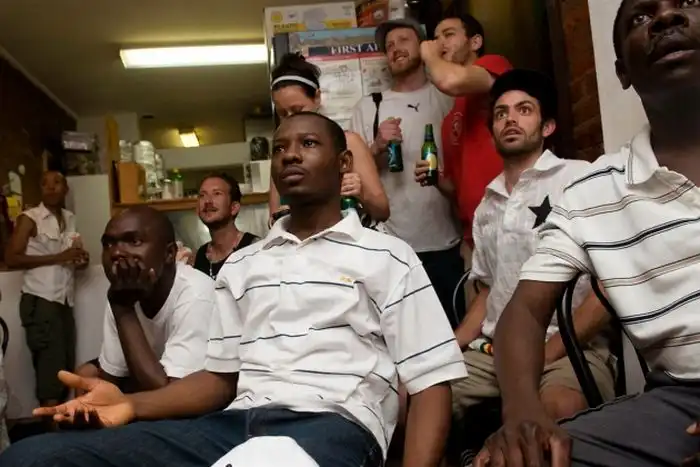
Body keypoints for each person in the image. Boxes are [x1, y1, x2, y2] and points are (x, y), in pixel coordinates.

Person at [0, 112, 467, 467]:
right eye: (280, 148)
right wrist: (130, 404)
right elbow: (219, 380)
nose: (290, 155)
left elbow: (430, 382)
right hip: (232, 424)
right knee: (32, 458)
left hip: (333, 424)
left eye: (308, 144)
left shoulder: (387, 255)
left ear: (344, 163)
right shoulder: (244, 264)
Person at [472, 1, 700, 466]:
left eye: (687, 2)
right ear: (622, 71)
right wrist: (521, 412)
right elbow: (523, 310)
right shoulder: (593, 191)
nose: (665, 18)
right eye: (641, 17)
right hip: (680, 402)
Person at [450, 69, 614, 428]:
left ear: (548, 126)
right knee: (419, 396)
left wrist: (546, 353)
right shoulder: (488, 204)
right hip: (494, 351)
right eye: (501, 113)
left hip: (568, 347)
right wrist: (448, 346)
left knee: (558, 410)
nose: (510, 119)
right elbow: (488, 290)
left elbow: (610, 284)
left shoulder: (579, 178)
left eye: (524, 110)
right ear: (493, 130)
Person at [351, 18, 464, 328]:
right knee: (398, 336)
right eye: (389, 46)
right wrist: (376, 146)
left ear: (423, 46)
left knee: (451, 332)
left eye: (403, 40)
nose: (395, 49)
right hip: (391, 248)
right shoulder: (369, 107)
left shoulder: (448, 97)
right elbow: (353, 174)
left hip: (447, 242)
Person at [73, 206, 215, 394]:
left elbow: (169, 396)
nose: (116, 253)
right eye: (108, 244)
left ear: (169, 253)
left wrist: (123, 309)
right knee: (85, 378)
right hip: (152, 379)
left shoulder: (197, 294)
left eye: (134, 241)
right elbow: (112, 380)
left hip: (202, 397)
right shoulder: (122, 292)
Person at [420, 14, 512, 258]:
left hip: (510, 228)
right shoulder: (450, 119)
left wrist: (429, 55)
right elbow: (455, 187)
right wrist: (435, 177)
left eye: (448, 35)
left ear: (475, 42)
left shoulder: (495, 65)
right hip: (474, 239)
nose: (439, 43)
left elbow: (450, 80)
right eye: (436, 38)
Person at [268, 53, 390, 225]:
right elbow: (274, 219)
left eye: (297, 110)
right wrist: (284, 213)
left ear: (317, 97)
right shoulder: (282, 154)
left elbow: (383, 211)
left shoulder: (348, 142)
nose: (290, 119)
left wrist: (360, 193)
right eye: (282, 113)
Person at [4, 171, 88, 409]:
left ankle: (59, 424)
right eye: (45, 184)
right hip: (40, 301)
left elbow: (70, 259)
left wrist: (80, 260)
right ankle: (49, 428)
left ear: (66, 189)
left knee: (64, 369)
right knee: (49, 371)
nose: (51, 187)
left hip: (64, 301)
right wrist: (59, 257)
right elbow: (11, 258)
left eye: (57, 182)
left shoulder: (70, 218)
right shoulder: (30, 218)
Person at [193, 173, 258, 278]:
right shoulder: (201, 255)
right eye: (202, 195)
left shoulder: (254, 248)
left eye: (217, 193)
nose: (208, 201)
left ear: (234, 208)